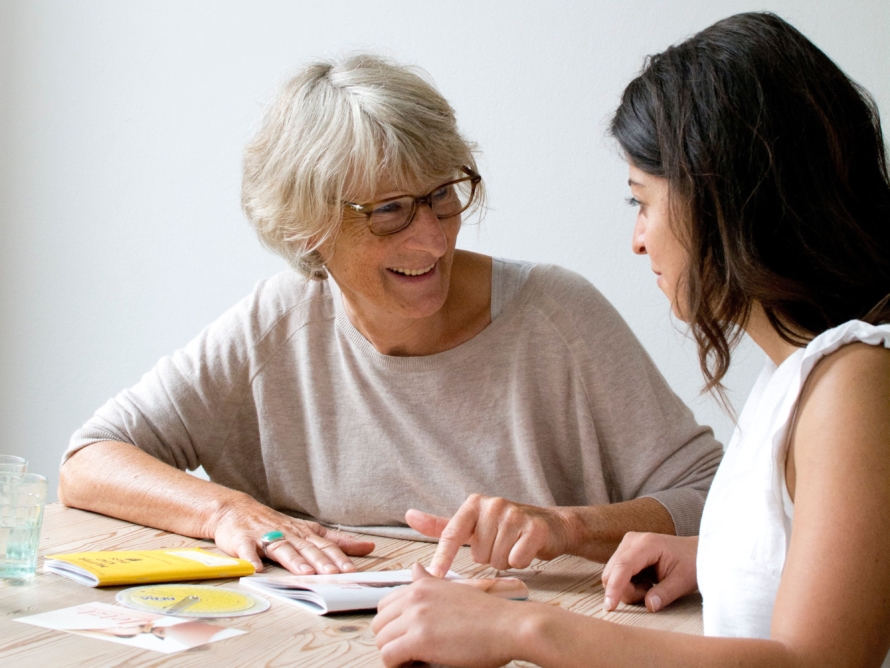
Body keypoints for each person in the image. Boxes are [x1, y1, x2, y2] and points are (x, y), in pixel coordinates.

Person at [57, 54, 721, 578]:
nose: (432, 239)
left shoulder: (556, 315)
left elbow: (715, 496)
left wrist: (567, 527)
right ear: (308, 226)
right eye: (389, 211)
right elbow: (89, 460)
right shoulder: (277, 325)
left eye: (442, 195)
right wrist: (226, 510)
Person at [371, 12, 890, 667]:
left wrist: (523, 628)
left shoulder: (856, 385)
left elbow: (818, 664)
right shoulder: (804, 376)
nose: (638, 241)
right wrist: (714, 557)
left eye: (642, 202)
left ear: (723, 200)